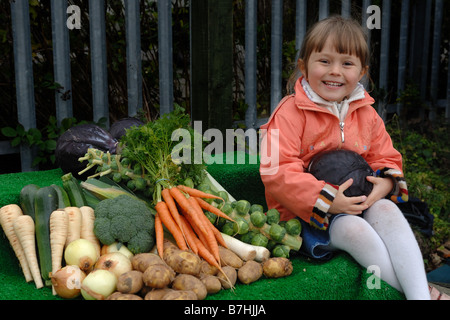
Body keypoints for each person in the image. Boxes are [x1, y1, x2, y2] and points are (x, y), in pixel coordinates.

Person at [259, 15, 430, 300]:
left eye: (347, 63)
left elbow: (384, 155)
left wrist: (386, 183)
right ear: (304, 66)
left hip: (362, 201)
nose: (335, 71)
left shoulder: (366, 113)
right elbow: (277, 171)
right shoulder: (289, 113)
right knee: (355, 231)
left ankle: (420, 296)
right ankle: (420, 292)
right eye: (324, 61)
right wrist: (327, 201)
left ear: (361, 71)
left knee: (388, 211)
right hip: (309, 216)